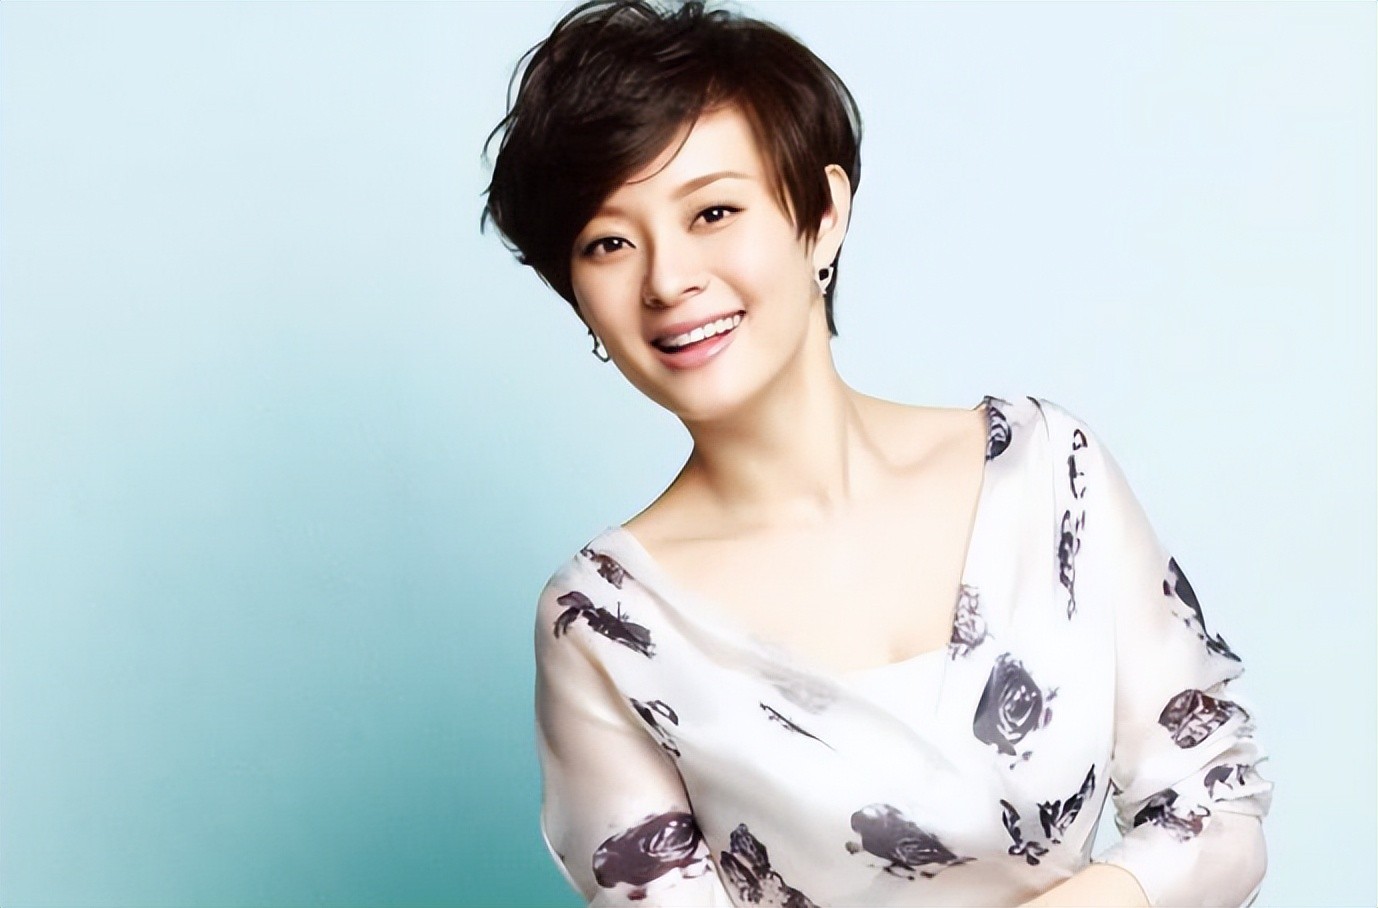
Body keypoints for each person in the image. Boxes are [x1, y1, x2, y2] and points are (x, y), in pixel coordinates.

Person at [481, 1, 1273, 905]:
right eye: (610, 243)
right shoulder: (604, 622)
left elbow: (1216, 806)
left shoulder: (1047, 474)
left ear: (823, 214)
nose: (666, 279)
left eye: (713, 211)